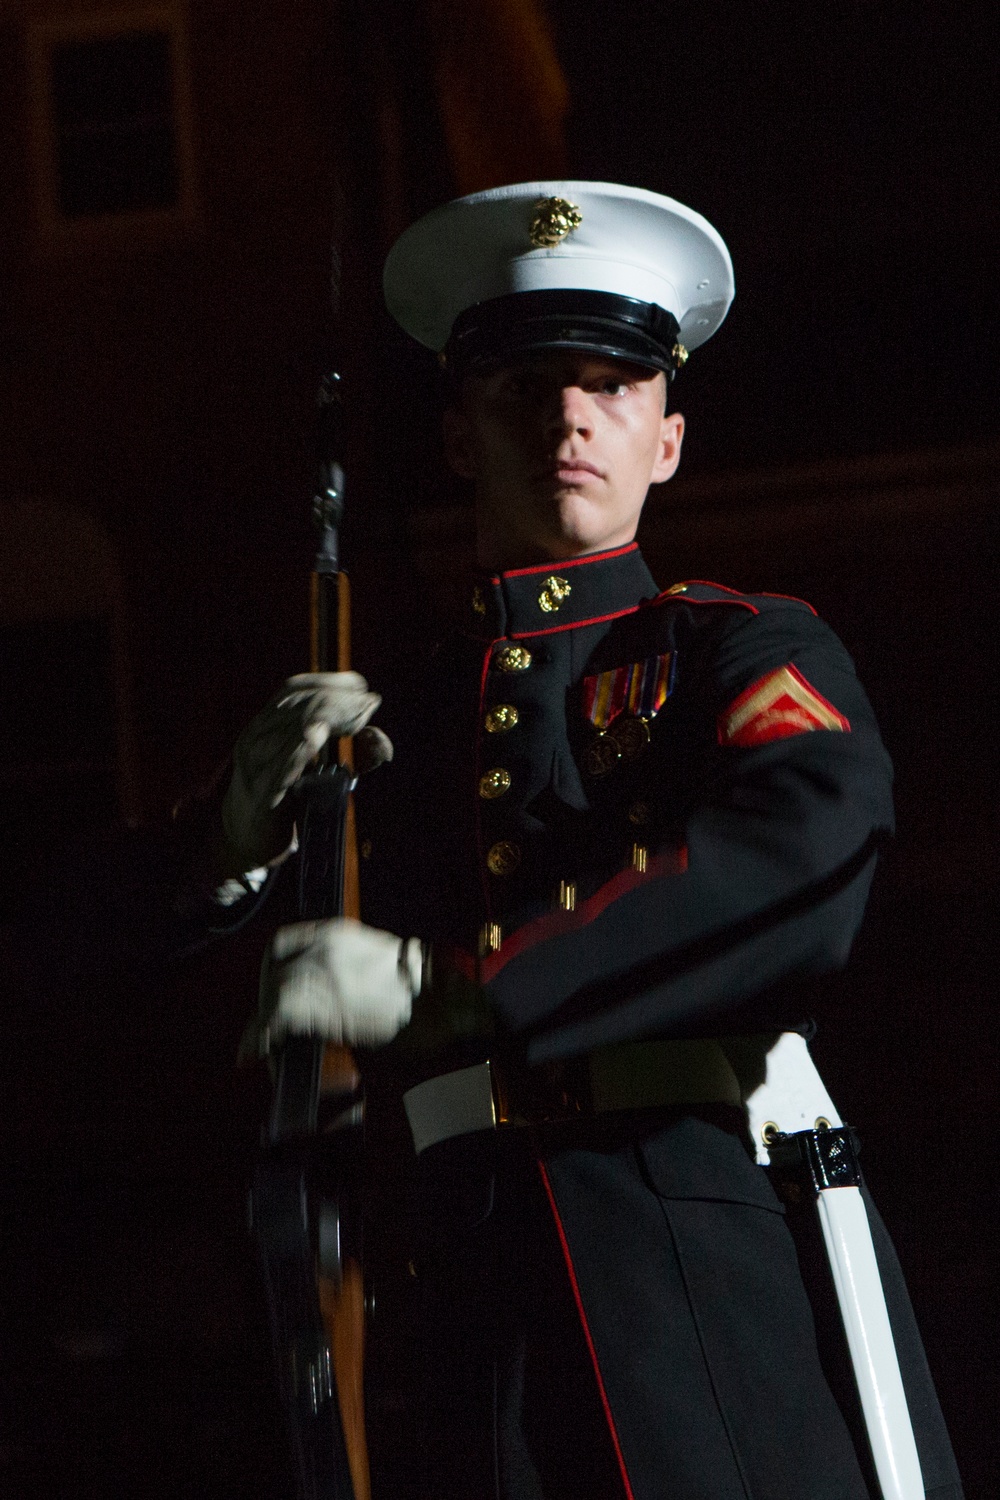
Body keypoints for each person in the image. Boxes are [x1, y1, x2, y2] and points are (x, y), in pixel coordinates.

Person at [214, 183, 962, 1499]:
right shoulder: (385, 729)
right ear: (458, 435)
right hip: (461, 1298)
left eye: (611, 385)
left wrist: (459, 992)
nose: (568, 415)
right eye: (524, 387)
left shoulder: (731, 648)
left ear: (667, 440)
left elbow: (810, 847)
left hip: (695, 1271)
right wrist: (225, 841)